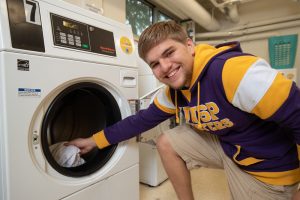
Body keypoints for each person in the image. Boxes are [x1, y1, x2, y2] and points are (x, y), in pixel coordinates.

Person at [67, 20, 300, 199]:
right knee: (166, 142)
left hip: (268, 169)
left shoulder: (234, 72)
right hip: (231, 145)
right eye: (155, 64)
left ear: (190, 46)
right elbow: (141, 121)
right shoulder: (176, 91)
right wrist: (94, 141)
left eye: (169, 53)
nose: (165, 67)